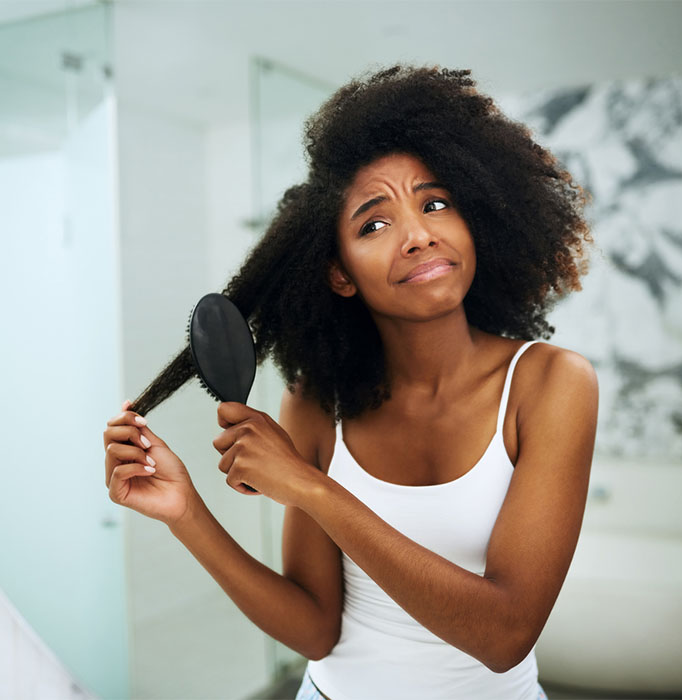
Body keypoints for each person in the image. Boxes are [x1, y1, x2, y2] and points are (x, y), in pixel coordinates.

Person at [103, 64, 598, 700]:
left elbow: (504, 637)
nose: (418, 235)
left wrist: (311, 488)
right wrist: (186, 513)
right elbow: (315, 632)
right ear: (340, 274)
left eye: (436, 203)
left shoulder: (550, 383)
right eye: (374, 223)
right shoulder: (318, 402)